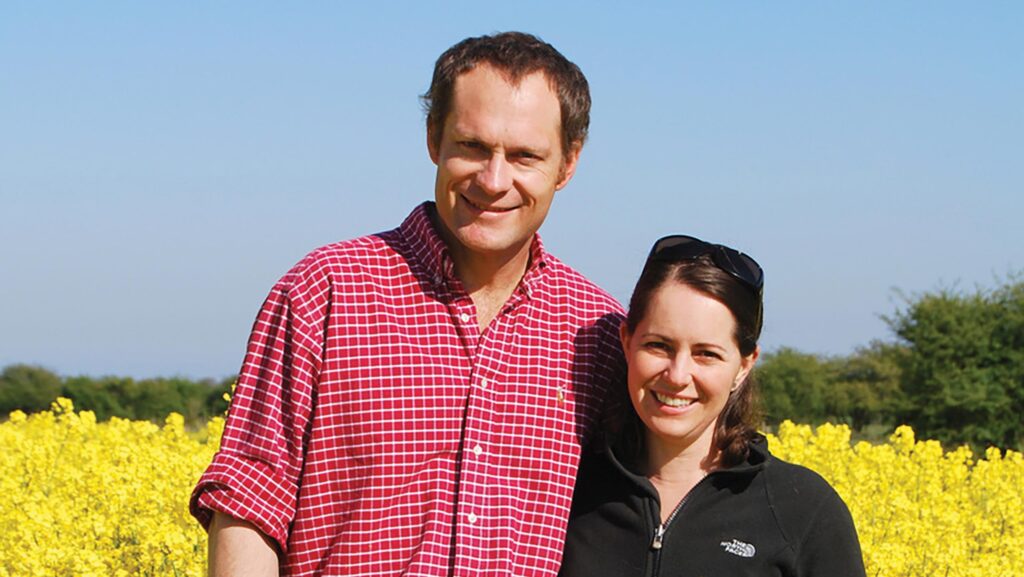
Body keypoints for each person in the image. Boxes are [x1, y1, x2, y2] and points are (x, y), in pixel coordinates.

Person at [189, 32, 624, 577]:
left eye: (524, 156)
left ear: (568, 164)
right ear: (433, 139)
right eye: (472, 146)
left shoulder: (601, 333)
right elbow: (249, 502)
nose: (493, 180)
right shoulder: (324, 292)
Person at [560, 235, 866, 577]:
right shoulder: (567, 488)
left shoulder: (803, 511)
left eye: (706, 354)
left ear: (744, 365)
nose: (677, 375)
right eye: (658, 346)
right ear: (627, 342)